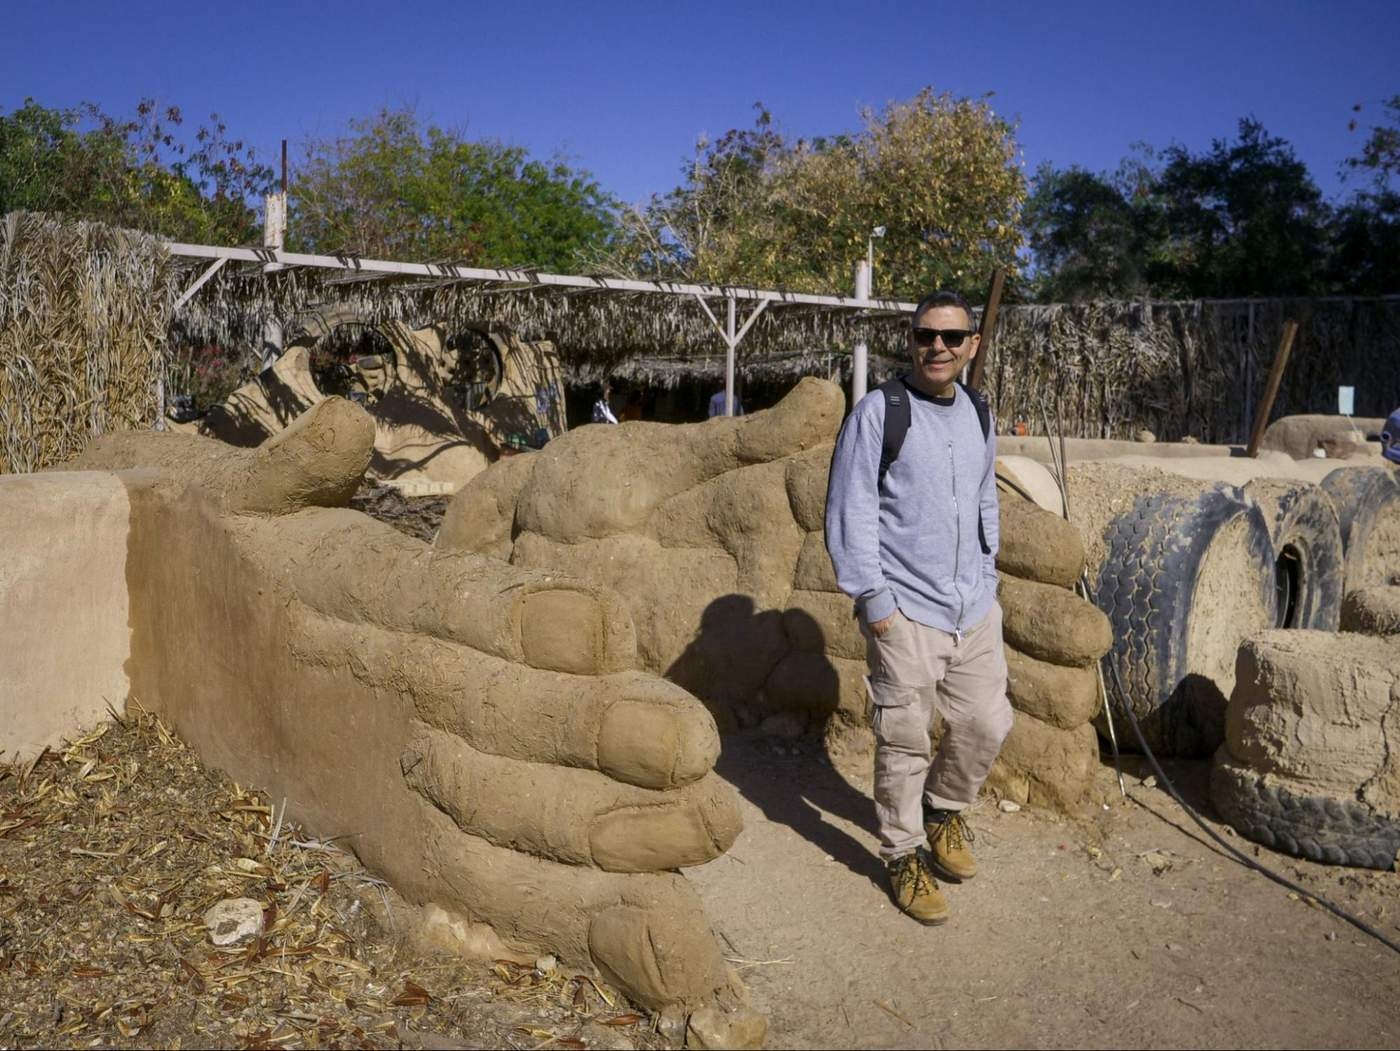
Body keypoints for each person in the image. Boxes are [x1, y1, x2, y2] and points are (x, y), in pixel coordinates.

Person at [824, 289, 1013, 926]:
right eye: (925, 335)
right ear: (910, 340)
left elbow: (985, 499)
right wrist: (874, 599)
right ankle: (902, 853)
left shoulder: (978, 412)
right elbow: (849, 506)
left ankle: (943, 810)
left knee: (987, 722)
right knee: (904, 739)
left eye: (952, 337)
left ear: (972, 345)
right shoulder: (881, 412)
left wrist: (987, 575)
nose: (937, 347)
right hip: (905, 608)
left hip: (973, 608)